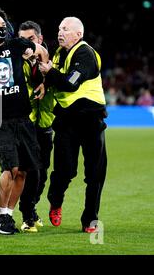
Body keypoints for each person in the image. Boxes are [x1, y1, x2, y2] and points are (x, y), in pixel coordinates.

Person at [0, 7, 48, 235]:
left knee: (24, 171)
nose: (1, 30)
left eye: (3, 25)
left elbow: (41, 50)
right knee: (10, 168)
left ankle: (7, 215)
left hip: (23, 116)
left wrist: (43, 79)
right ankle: (2, 215)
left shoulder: (16, 45)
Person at [39, 17, 107, 233]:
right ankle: (55, 200)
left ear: (78, 35)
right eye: (59, 28)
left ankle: (90, 220)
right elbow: (55, 79)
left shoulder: (85, 54)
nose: (60, 32)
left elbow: (69, 83)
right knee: (64, 170)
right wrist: (45, 82)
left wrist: (49, 72)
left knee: (95, 174)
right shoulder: (59, 54)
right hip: (67, 121)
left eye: (65, 29)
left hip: (91, 120)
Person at [18, 21, 55, 233]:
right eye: (22, 40)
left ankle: (31, 209)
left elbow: (60, 79)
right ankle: (26, 215)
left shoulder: (52, 60)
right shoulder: (18, 61)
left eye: (30, 40)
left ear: (39, 40)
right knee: (31, 172)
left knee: (42, 172)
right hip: (26, 123)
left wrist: (47, 80)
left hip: (46, 124)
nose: (26, 44)